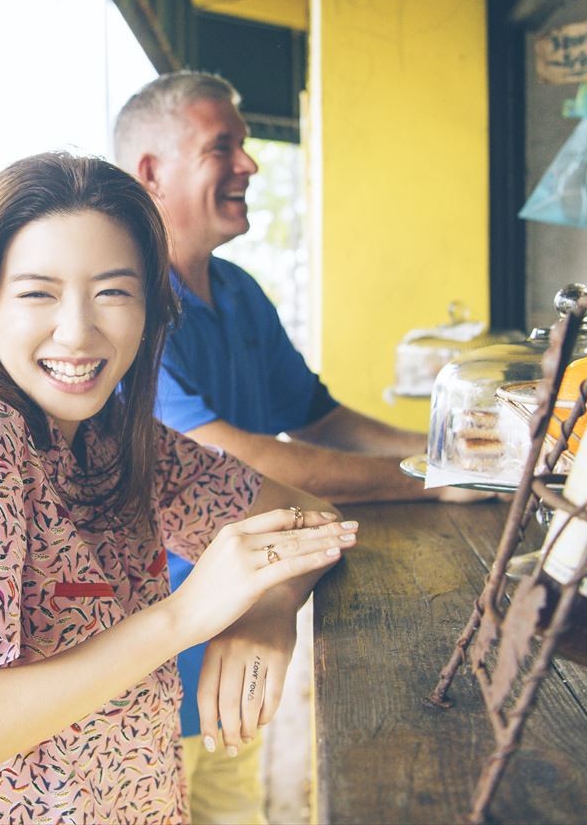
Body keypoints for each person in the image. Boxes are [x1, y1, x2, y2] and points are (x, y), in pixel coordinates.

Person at [0, 153, 359, 824]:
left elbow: (311, 520)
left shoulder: (114, 437)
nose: (78, 331)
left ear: (148, 310)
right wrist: (186, 617)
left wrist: (265, 613)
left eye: (113, 292)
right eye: (38, 293)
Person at [114, 71, 476, 824]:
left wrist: (456, 449)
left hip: (245, 634)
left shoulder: (237, 290)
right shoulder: (131, 310)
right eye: (224, 147)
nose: (248, 164)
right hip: (149, 668)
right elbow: (241, 462)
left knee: (233, 807)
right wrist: (433, 478)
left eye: (244, 147)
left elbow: (316, 418)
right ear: (151, 172)